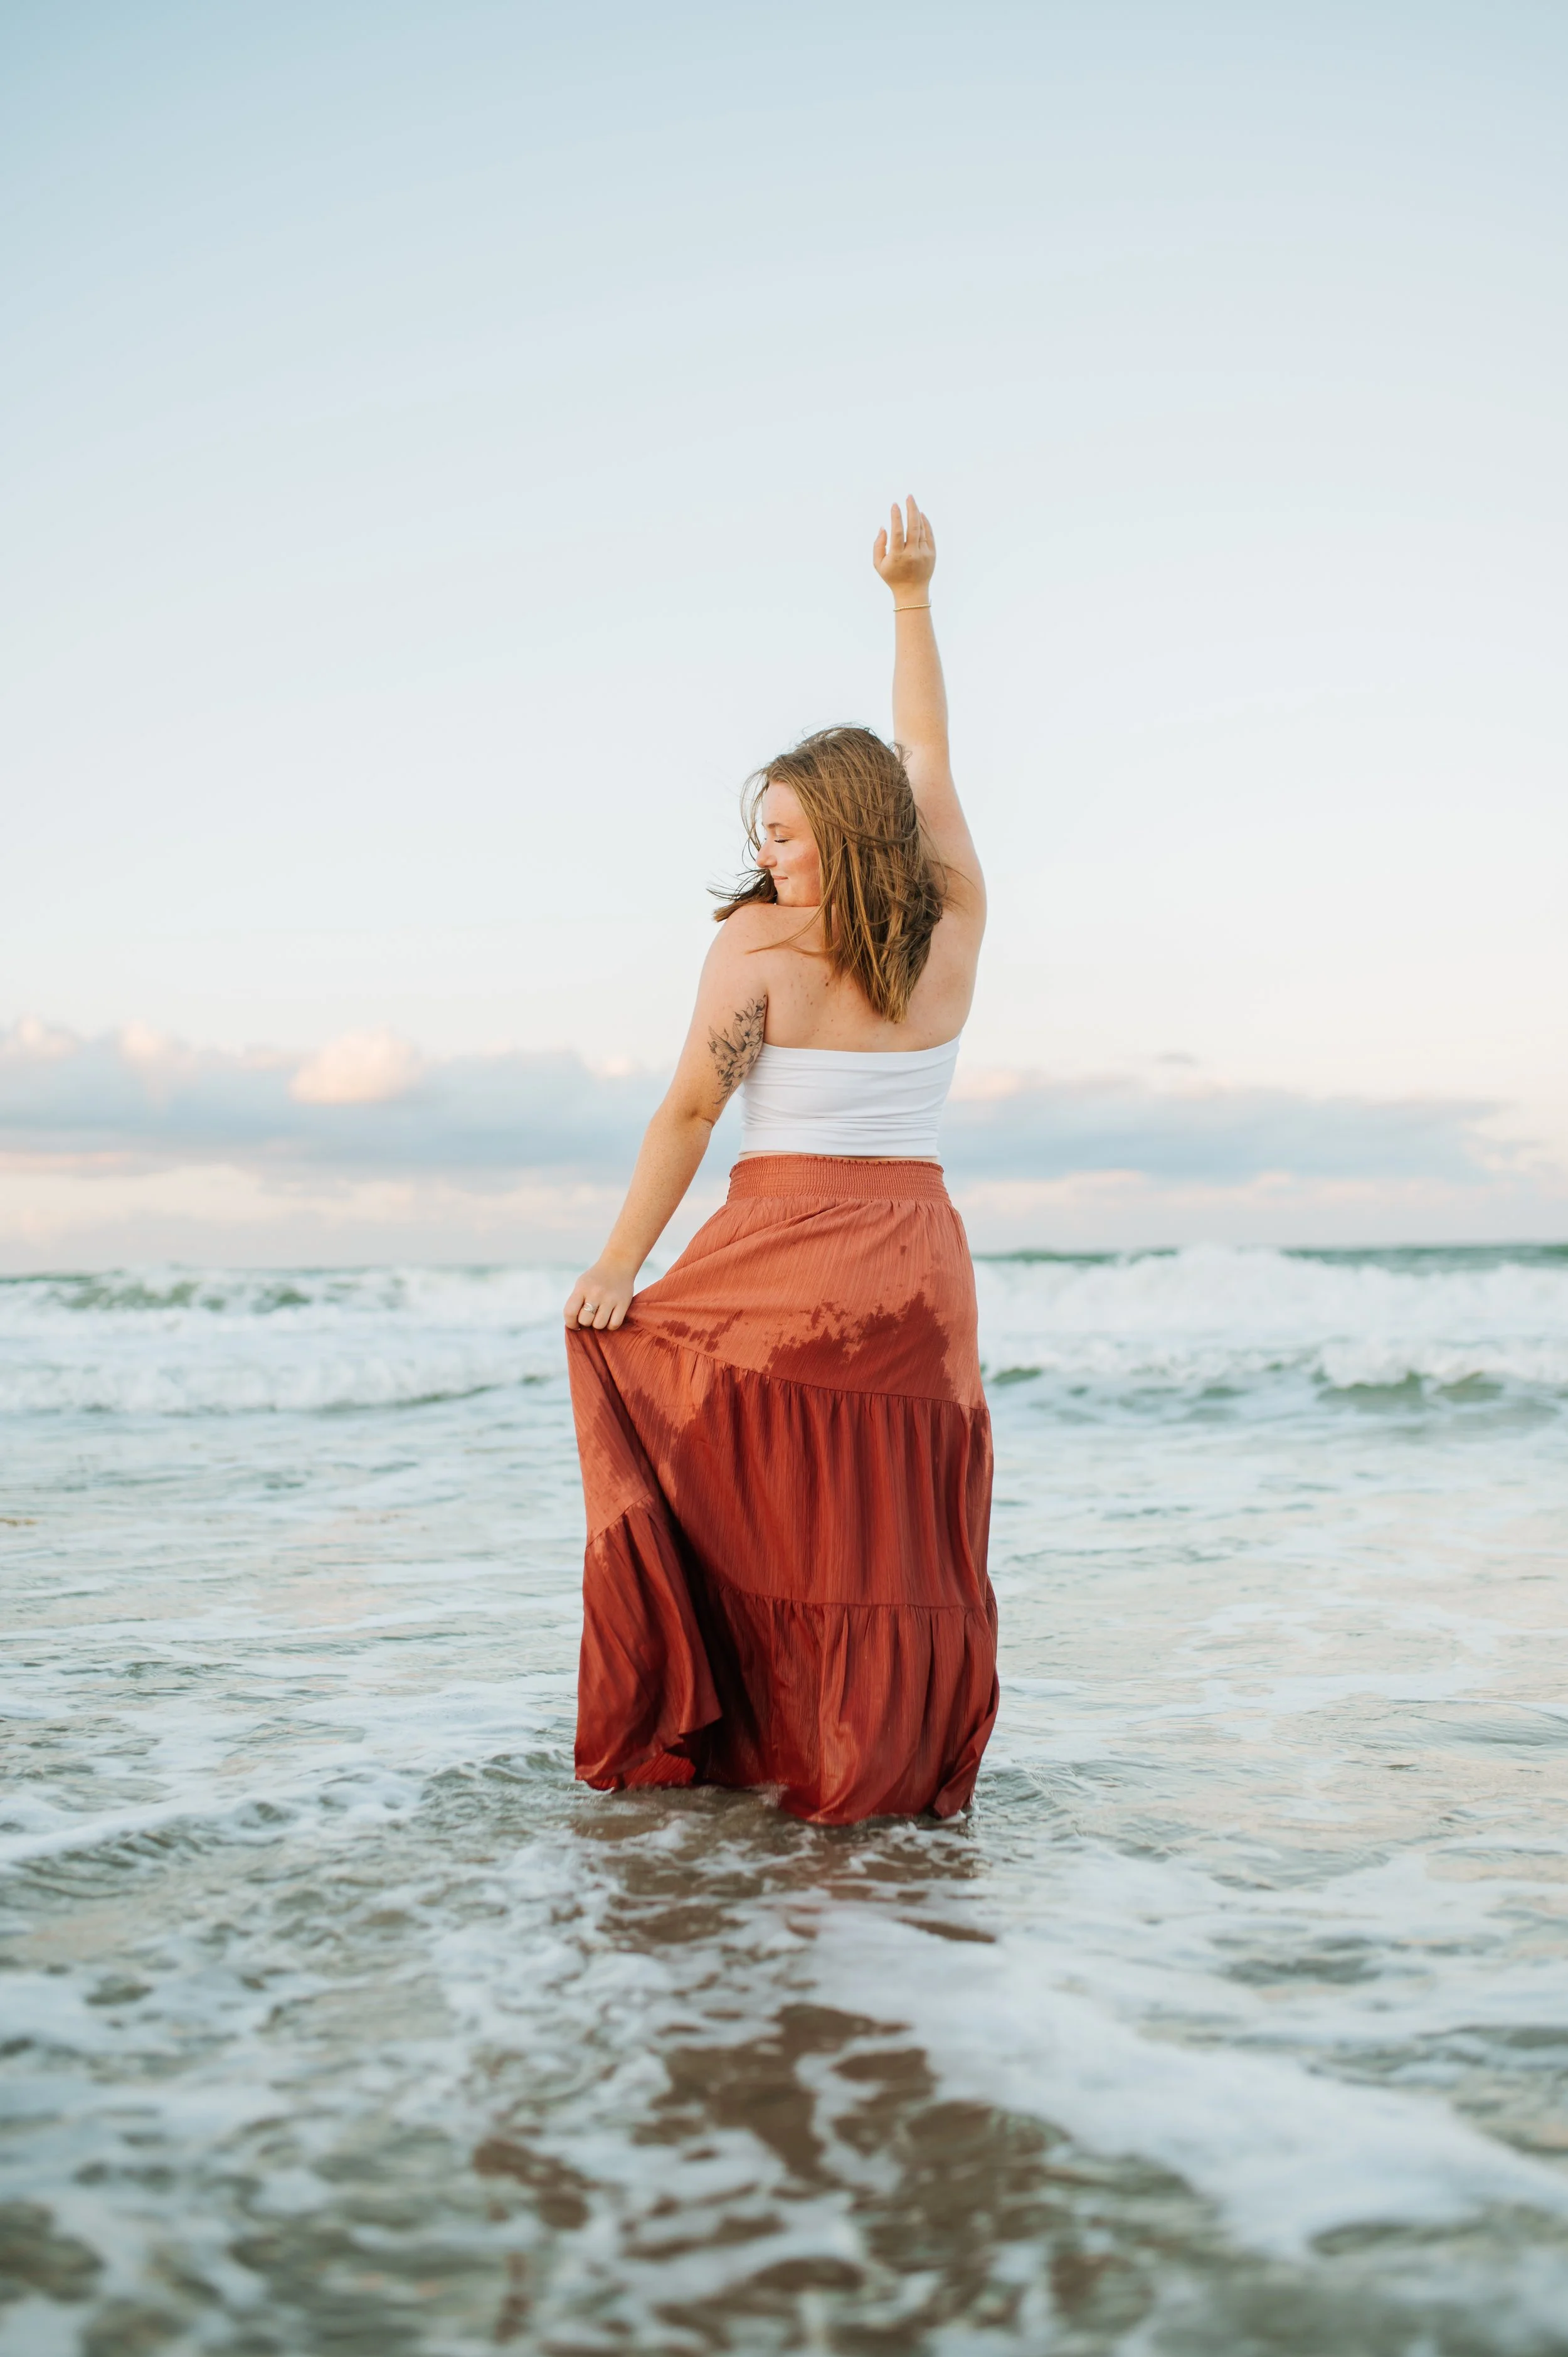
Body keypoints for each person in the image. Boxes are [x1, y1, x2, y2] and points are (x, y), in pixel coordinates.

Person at [563, 497, 997, 1822]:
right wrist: (909, 597)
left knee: (759, 1498)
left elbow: (687, 1121)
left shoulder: (750, 956)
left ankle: (756, 1747)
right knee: (891, 1541)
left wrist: (615, 1268)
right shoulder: (953, 931)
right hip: (917, 1272)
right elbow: (924, 750)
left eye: (790, 835)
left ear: (848, 836)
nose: (766, 854)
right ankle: (882, 1783)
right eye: (764, 833)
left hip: (789, 1256)